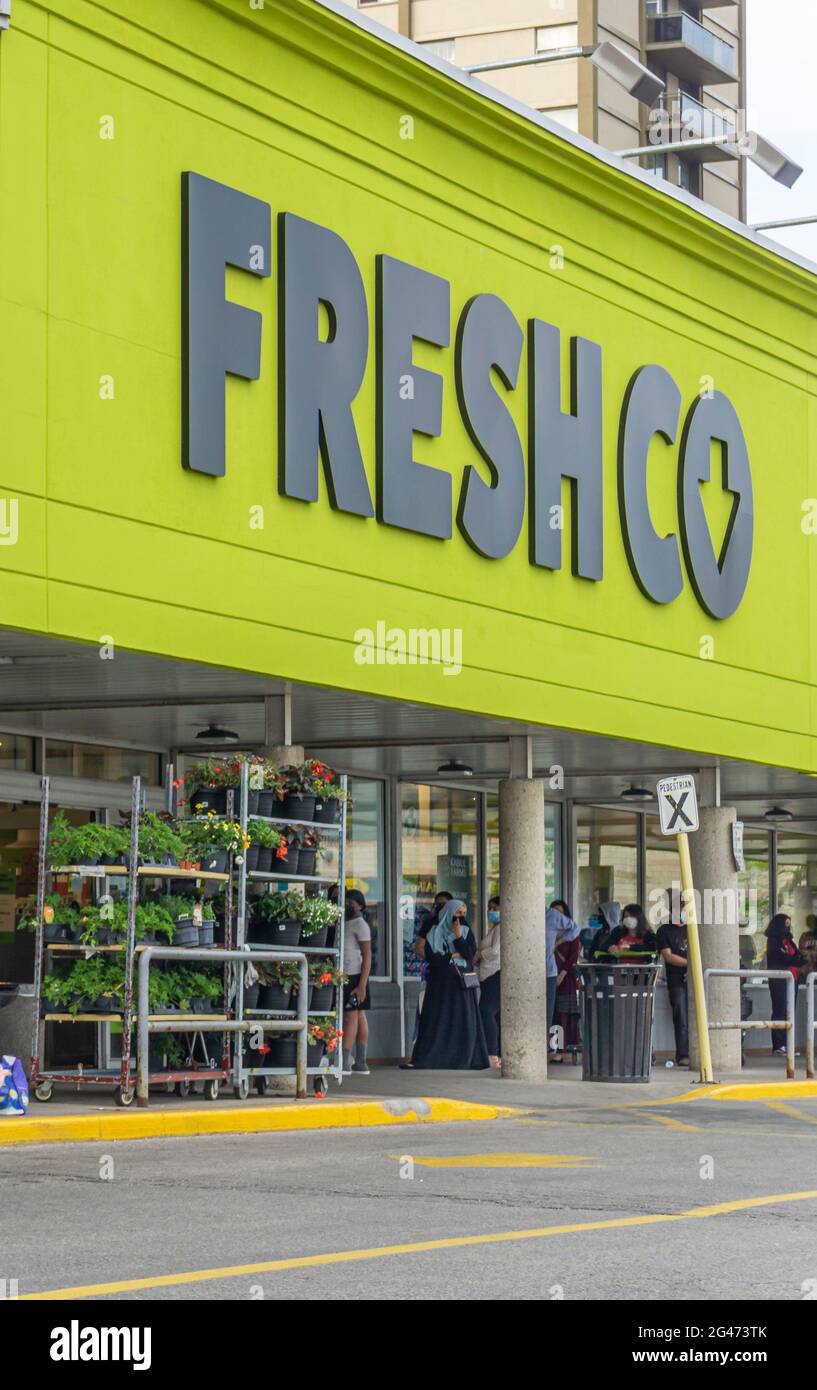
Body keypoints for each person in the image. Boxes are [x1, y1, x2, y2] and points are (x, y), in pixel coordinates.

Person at [411, 899, 489, 1069]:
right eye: (457, 913)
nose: (460, 917)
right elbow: (431, 958)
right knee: (439, 1020)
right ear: (448, 912)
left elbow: (469, 954)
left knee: (462, 1020)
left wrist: (459, 936)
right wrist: (450, 957)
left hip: (460, 983)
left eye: (463, 914)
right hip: (440, 984)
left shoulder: (466, 931)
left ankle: (463, 1057)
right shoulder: (433, 932)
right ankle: (436, 1057)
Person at [656, 889, 690, 1067]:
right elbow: (668, 956)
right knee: (682, 1017)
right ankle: (683, 1055)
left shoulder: (693, 928)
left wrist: (692, 971)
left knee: (697, 1018)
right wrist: (689, 965)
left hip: (694, 980)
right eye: (681, 905)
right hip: (676, 981)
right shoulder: (664, 930)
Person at [342, 889, 372, 1075]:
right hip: (346, 974)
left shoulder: (360, 924)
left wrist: (362, 984)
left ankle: (345, 1061)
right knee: (358, 1016)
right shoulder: (345, 922)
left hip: (355, 976)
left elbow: (367, 955)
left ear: (360, 905)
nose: (347, 905)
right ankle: (361, 1062)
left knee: (351, 1016)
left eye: (351, 902)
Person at [764, 914, 804, 1055]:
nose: (788, 926)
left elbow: (799, 957)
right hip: (779, 980)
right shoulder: (773, 940)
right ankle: (778, 1046)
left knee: (790, 1013)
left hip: (793, 979)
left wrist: (793, 959)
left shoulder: (789, 940)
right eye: (786, 923)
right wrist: (793, 959)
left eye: (790, 923)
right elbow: (780, 957)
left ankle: (788, 1045)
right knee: (779, 1011)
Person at [550, 900, 580, 1065]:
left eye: (560, 912)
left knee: (564, 1014)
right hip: (549, 976)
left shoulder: (572, 930)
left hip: (566, 978)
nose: (556, 915)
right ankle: (554, 1048)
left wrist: (562, 973)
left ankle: (564, 1050)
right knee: (553, 1014)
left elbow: (574, 956)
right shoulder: (548, 930)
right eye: (553, 912)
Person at [474, 896, 501, 1068]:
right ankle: (496, 1054)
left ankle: (492, 1054)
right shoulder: (495, 929)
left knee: (486, 1012)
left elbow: (496, 951)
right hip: (487, 975)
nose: (490, 912)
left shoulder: (501, 928)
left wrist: (479, 955)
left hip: (494, 974)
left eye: (494, 908)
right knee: (495, 1015)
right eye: (489, 908)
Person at [798, 915, 817, 981]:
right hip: (807, 969)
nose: (808, 925)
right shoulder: (805, 935)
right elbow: (801, 949)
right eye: (808, 923)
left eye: (811, 923)